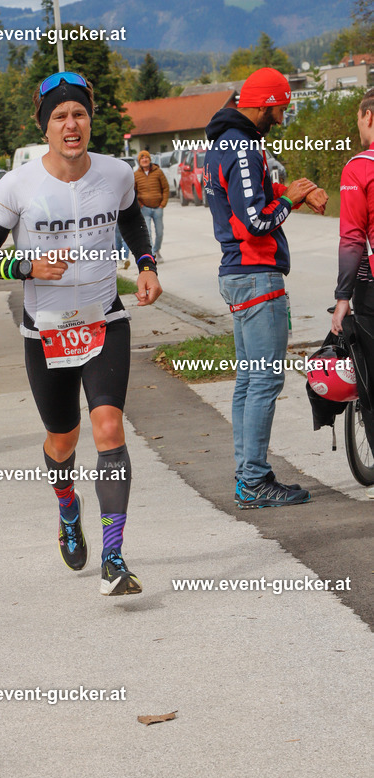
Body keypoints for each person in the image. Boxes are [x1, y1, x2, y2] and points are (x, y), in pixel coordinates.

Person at [0, 72, 162, 595]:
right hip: (46, 331)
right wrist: (25, 266)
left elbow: (131, 222)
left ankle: (114, 558)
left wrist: (146, 265)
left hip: (104, 321)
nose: (70, 124)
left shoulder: (116, 173)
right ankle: (67, 505)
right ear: (44, 127)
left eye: (78, 113)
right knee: (63, 439)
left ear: (89, 122)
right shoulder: (18, 185)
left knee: (109, 430)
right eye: (59, 116)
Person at [204, 66, 328, 508]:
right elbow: (256, 220)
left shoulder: (224, 143)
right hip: (256, 274)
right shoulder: (243, 147)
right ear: (266, 104)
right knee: (265, 381)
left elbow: (248, 196)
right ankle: (254, 481)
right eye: (280, 108)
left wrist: (291, 191)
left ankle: (249, 476)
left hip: (239, 275)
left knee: (249, 380)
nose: (282, 117)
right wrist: (290, 200)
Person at [331, 87, 374, 497]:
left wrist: (343, 297)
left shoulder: (359, 167)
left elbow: (352, 239)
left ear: (369, 117)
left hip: (371, 288)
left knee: (371, 383)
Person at [134, 151, 169, 261]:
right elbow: (133, 192)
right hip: (144, 209)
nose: (144, 160)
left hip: (158, 207)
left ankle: (157, 249)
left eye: (146, 158)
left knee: (159, 232)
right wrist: (140, 204)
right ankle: (152, 254)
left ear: (150, 159)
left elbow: (166, 188)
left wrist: (163, 204)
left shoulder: (158, 172)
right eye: (142, 158)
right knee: (147, 232)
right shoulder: (136, 175)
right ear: (139, 161)